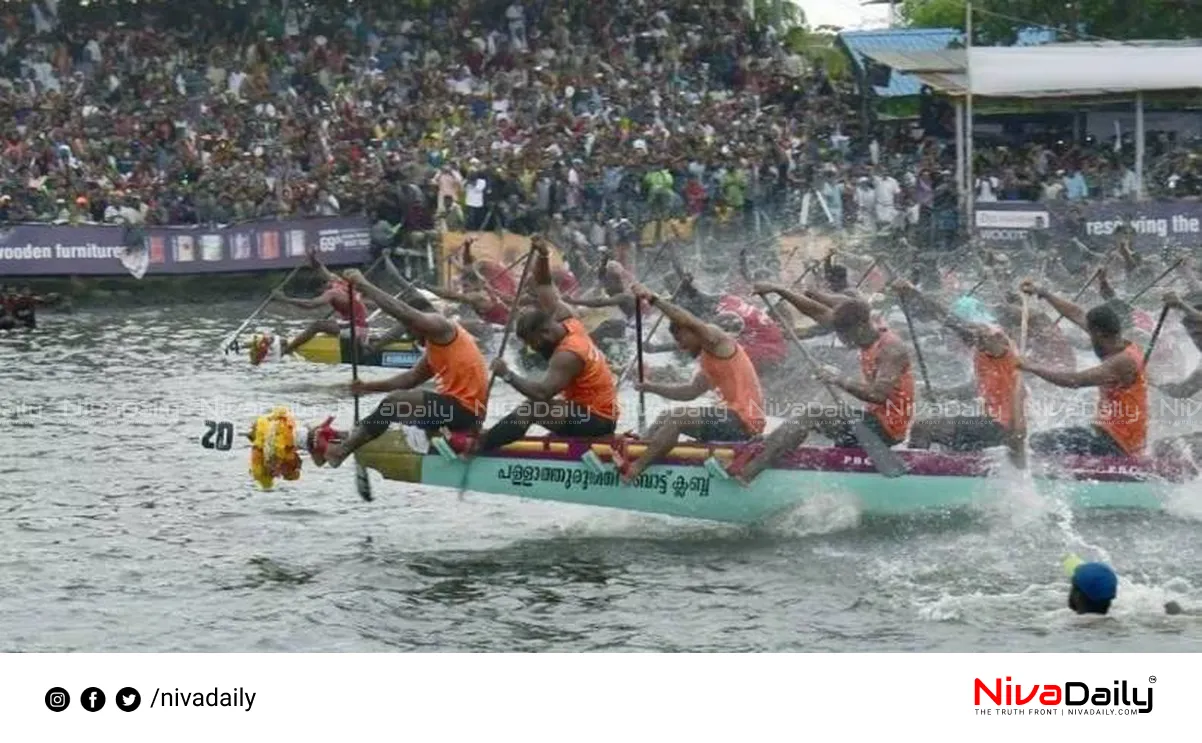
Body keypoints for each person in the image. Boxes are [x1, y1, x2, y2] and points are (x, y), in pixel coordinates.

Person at [313, 267, 489, 469]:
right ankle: (351, 437)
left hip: (466, 412)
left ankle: (341, 452)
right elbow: (410, 379)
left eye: (410, 330)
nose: (411, 337)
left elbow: (405, 313)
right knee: (395, 407)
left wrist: (364, 285)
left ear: (420, 322)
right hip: (453, 412)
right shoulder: (436, 344)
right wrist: (367, 387)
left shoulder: (441, 325)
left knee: (395, 403)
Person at [728, 298, 915, 485]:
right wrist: (779, 290)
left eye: (845, 336)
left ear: (861, 327)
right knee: (807, 416)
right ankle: (765, 451)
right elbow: (822, 313)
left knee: (813, 414)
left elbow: (878, 395)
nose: (843, 341)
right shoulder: (865, 327)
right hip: (872, 418)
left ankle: (747, 474)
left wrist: (838, 379)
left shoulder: (891, 350)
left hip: (887, 428)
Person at [477, 236, 619, 450]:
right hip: (587, 411)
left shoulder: (568, 353)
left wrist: (507, 374)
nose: (533, 349)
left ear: (544, 333)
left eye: (533, 343)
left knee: (533, 408)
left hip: (597, 420)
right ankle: (493, 437)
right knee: (538, 408)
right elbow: (544, 283)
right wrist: (543, 255)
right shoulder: (568, 321)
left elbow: (543, 393)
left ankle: (478, 447)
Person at [615, 283, 766, 484]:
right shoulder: (709, 357)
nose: (680, 345)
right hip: (730, 419)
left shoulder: (718, 341)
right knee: (665, 416)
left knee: (678, 418)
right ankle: (640, 451)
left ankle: (635, 470)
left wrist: (653, 299)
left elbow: (688, 320)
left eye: (680, 337)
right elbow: (690, 392)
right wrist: (650, 387)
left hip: (743, 423)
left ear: (692, 330)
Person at [893, 280, 1026, 454]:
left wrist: (914, 294)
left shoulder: (996, 344)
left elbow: (948, 319)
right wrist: (942, 393)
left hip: (1005, 426)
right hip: (992, 421)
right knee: (943, 429)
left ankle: (916, 474)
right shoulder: (982, 352)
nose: (959, 335)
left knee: (923, 427)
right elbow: (975, 389)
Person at [1017, 278, 1147, 458]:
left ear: (1099, 333)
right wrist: (1043, 292)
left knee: (1039, 442)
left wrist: (1032, 367)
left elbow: (1074, 381)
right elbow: (1076, 313)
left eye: (1090, 331)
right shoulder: (1112, 339)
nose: (1087, 332)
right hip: (1109, 431)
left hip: (1119, 442)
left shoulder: (1122, 361)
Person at [256, 255, 372, 364]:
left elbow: (311, 304)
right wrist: (312, 257)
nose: (321, 293)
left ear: (322, 287)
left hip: (355, 330)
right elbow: (320, 268)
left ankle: (285, 351)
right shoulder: (338, 281)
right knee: (327, 324)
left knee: (318, 325)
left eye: (320, 291)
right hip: (361, 326)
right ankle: (296, 341)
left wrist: (285, 299)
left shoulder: (332, 293)